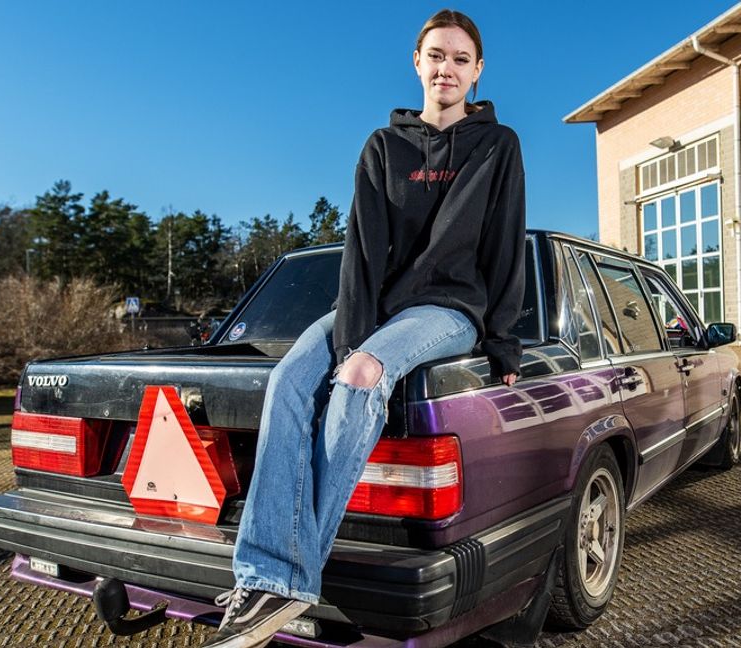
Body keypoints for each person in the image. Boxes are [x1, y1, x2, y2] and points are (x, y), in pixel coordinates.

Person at [202, 9, 526, 648]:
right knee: (291, 379)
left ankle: (287, 577)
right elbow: (362, 251)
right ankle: (265, 575)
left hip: (447, 311)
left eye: (461, 59)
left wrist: (502, 341)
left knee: (360, 376)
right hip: (376, 305)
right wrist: (352, 331)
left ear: (478, 70)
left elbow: (505, 244)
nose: (447, 69)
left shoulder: (499, 144)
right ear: (417, 62)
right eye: (437, 56)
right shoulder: (384, 147)